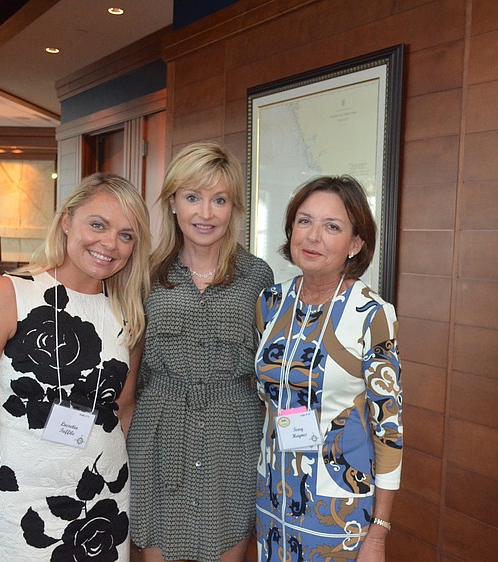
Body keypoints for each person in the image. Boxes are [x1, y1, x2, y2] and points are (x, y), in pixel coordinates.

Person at [0, 173, 151, 560]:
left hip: (105, 500)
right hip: (25, 500)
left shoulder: (129, 311)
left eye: (126, 235)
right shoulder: (8, 294)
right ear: (66, 221)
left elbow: (123, 409)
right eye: (98, 224)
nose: (109, 243)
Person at [127, 142, 274, 562]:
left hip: (233, 432)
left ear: (234, 208)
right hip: (159, 428)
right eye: (193, 197)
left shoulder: (257, 275)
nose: (205, 213)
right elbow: (131, 363)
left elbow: (269, 365)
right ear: (173, 201)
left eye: (219, 200)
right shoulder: (148, 273)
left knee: (228, 542)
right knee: (155, 543)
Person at [254, 175, 403, 562]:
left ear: (355, 243)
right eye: (304, 221)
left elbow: (389, 427)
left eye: (331, 226)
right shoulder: (270, 303)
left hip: (339, 507)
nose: (312, 236)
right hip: (272, 495)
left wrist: (380, 533)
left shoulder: (372, 314)